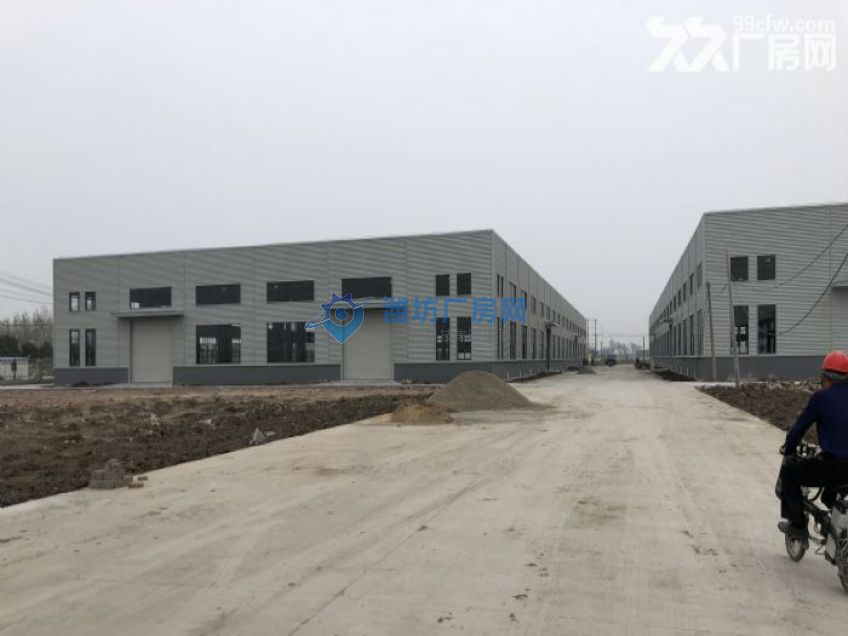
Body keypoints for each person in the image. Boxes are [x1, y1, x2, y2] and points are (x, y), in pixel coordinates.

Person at [778, 351, 848, 540]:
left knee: (789, 473)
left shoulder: (821, 398)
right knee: (829, 495)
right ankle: (838, 530)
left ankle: (798, 525)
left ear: (825, 376)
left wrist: (788, 449)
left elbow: (799, 428)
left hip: (833, 466)